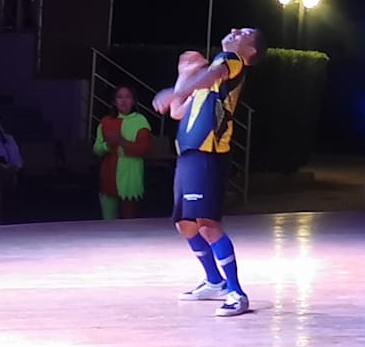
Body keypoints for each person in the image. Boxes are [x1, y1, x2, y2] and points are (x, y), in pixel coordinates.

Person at [156, 27, 261, 316]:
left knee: (207, 223)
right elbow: (176, 111)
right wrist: (183, 74)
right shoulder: (207, 82)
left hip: (209, 153)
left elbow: (210, 76)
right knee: (185, 224)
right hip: (188, 155)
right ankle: (214, 281)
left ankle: (236, 292)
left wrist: (178, 89)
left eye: (244, 33)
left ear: (251, 51)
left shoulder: (232, 61)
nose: (235, 31)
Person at [92, 87, 154, 221]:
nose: (123, 101)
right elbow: (97, 149)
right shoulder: (105, 122)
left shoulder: (140, 121)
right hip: (109, 175)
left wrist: (122, 141)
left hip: (131, 178)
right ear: (114, 101)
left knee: (129, 222)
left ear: (133, 101)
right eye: (119, 97)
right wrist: (108, 145)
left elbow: (144, 149)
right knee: (108, 222)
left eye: (127, 97)